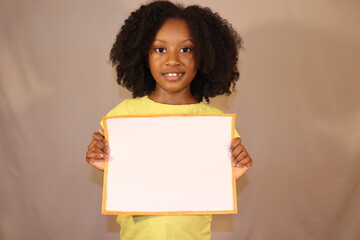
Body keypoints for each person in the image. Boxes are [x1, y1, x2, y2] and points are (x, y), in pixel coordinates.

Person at [86, 1, 253, 239]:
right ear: (143, 56)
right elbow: (132, 177)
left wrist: (232, 172)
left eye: (186, 49)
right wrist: (106, 163)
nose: (173, 60)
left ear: (203, 56)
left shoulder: (215, 123)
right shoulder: (122, 115)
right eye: (159, 49)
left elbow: (206, 183)